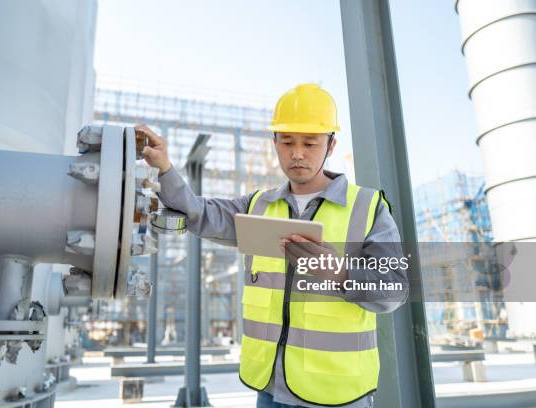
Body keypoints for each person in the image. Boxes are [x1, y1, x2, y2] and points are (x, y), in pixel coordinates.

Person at [138, 83, 409, 408]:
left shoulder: (367, 208)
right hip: (270, 388)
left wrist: (339, 274)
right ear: (274, 143)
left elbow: (394, 290)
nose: (297, 153)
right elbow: (200, 213)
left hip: (336, 395)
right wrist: (165, 169)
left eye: (310, 143)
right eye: (287, 142)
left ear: (331, 145)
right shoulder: (258, 205)